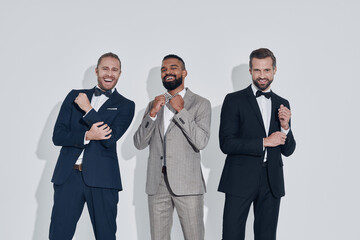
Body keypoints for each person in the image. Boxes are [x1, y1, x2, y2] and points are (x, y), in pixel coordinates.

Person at [49, 52, 135, 240]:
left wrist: (88, 109)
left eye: (114, 70)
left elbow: (109, 138)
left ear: (120, 74)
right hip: (68, 176)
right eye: (105, 68)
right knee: (58, 235)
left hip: (103, 179)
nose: (109, 74)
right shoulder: (74, 96)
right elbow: (58, 136)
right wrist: (86, 135)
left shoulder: (126, 105)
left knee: (105, 236)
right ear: (97, 71)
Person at [218, 48, 296, 240]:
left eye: (267, 70)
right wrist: (264, 142)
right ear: (251, 71)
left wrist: (285, 127)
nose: (262, 76)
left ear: (274, 70)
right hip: (239, 179)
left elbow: (288, 150)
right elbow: (226, 143)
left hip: (271, 181)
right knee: (232, 236)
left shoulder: (282, 103)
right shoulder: (233, 100)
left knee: (266, 236)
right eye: (257, 71)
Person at [133, 54, 211, 240]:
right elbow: (139, 143)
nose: (168, 72)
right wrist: (152, 114)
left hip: (188, 185)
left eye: (173, 68)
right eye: (164, 69)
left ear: (184, 73)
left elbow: (201, 142)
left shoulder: (201, 104)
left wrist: (181, 111)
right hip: (157, 183)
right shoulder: (154, 105)